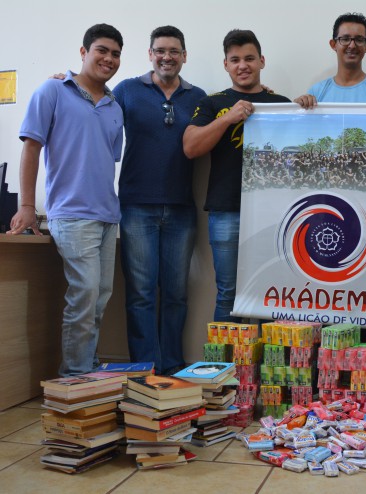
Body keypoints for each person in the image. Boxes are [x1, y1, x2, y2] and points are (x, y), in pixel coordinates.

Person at [8, 24, 124, 376]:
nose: (109, 58)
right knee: (84, 296)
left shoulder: (115, 106)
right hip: (72, 216)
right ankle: (73, 380)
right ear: (84, 52)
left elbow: (104, 159)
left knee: (98, 300)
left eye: (116, 54)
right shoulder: (53, 90)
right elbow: (31, 148)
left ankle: (88, 371)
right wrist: (27, 206)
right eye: (102, 50)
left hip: (108, 216)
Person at [295, 12, 366, 403]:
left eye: (358, 39)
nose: (351, 45)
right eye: (344, 38)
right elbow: (305, 144)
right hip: (329, 210)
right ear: (333, 44)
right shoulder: (317, 91)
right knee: (329, 295)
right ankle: (331, 380)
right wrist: (302, 108)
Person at [113, 26, 206, 375]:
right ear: (150, 54)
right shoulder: (126, 90)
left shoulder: (198, 97)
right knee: (141, 294)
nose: (167, 57)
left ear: (184, 56)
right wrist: (67, 82)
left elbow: (224, 119)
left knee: (176, 294)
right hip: (136, 206)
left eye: (174, 51)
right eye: (160, 50)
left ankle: (171, 368)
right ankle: (144, 369)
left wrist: (263, 97)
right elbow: (93, 108)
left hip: (181, 208)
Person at [183, 29, 290, 323]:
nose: (243, 65)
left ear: (262, 61)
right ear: (226, 65)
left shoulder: (282, 103)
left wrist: (304, 105)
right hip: (227, 210)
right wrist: (228, 118)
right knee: (228, 295)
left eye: (249, 58)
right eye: (235, 60)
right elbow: (190, 147)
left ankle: (268, 355)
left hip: (275, 214)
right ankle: (227, 356)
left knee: (273, 294)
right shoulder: (212, 103)